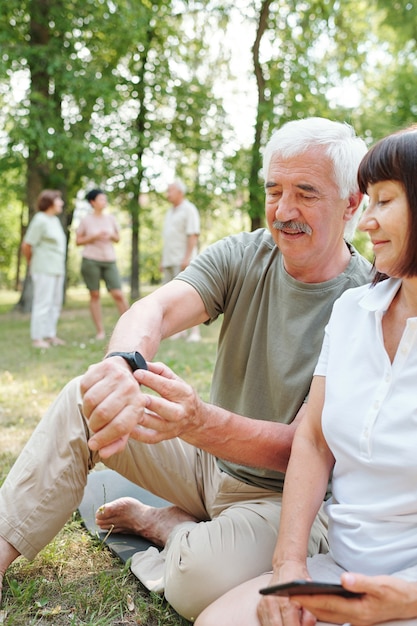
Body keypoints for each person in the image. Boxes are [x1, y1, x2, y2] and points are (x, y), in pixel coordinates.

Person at [0, 118, 373, 621]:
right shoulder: (246, 253)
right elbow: (152, 311)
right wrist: (120, 365)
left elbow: (301, 449)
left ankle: (166, 525)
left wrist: (199, 422)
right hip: (208, 463)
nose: (284, 210)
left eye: (306, 193)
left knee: (198, 579)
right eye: (274, 190)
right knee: (84, 397)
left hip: (284, 499)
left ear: (351, 203)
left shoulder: (365, 305)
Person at [195, 125, 417, 626]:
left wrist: (408, 600)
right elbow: (313, 442)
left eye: (383, 202)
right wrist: (288, 565)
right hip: (338, 570)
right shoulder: (353, 310)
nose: (366, 223)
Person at [76, 188, 129, 340]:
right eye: (101, 199)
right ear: (92, 202)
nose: (104, 202)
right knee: (95, 294)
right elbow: (78, 241)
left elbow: (117, 238)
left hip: (109, 259)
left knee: (118, 294)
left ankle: (129, 326)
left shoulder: (111, 219)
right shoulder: (86, 220)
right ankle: (100, 331)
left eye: (105, 199)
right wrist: (94, 236)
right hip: (91, 259)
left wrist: (111, 235)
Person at [21, 189, 66, 349]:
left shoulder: (54, 220)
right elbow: (27, 244)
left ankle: (50, 334)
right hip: (43, 268)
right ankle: (37, 338)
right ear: (50, 202)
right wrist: (30, 262)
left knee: (55, 303)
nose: (61, 203)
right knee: (43, 303)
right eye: (58, 200)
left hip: (57, 269)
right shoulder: (39, 220)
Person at [161, 179, 201, 341]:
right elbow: (168, 238)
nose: (167, 194)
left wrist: (187, 257)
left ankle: (195, 333)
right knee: (171, 299)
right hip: (169, 260)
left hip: (183, 260)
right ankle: (179, 330)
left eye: (170, 190)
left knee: (189, 297)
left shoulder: (189, 209)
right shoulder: (169, 212)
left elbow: (193, 234)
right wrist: (162, 260)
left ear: (180, 192)